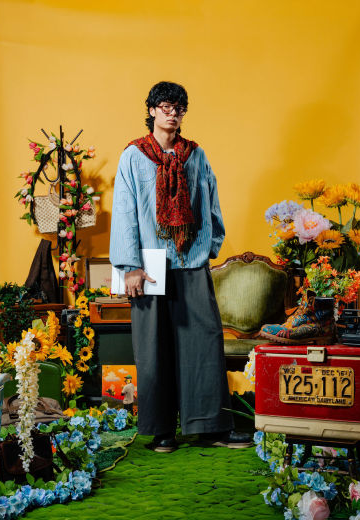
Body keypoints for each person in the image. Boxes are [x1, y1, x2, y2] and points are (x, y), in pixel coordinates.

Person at [109, 81, 250, 453]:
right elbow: (124, 212)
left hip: (191, 261)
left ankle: (211, 427)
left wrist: (208, 247)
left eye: (179, 108)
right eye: (166, 107)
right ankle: (162, 431)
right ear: (152, 110)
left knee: (203, 344)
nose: (173, 113)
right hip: (149, 266)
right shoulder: (133, 156)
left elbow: (210, 200)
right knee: (154, 349)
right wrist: (130, 266)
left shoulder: (195, 155)